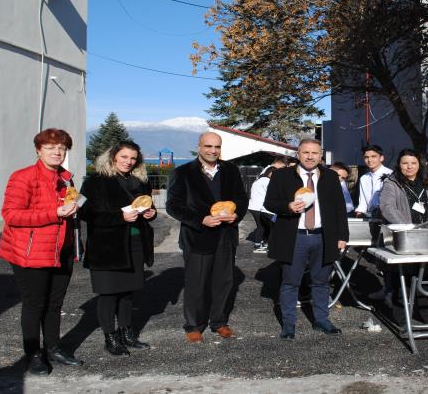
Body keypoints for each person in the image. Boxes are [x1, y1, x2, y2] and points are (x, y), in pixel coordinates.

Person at [0, 128, 82, 375]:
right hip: (31, 251)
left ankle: (53, 348)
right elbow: (11, 215)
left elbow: (70, 206)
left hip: (61, 250)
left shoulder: (66, 178)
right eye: (51, 147)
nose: (57, 152)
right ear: (38, 150)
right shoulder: (23, 177)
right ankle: (33, 354)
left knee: (55, 304)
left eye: (62, 148)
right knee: (34, 304)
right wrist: (53, 213)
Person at [166, 132, 249, 343]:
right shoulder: (183, 172)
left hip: (226, 235)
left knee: (223, 282)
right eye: (208, 146)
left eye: (217, 147)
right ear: (199, 147)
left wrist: (236, 214)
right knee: (196, 283)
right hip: (198, 236)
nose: (213, 150)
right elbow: (174, 206)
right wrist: (200, 219)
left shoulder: (231, 170)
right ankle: (194, 325)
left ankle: (219, 322)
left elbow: (241, 198)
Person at [265, 139, 349, 340]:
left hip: (323, 237)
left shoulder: (330, 176)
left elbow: (340, 209)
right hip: (295, 238)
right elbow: (269, 202)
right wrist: (287, 207)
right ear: (298, 154)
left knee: (321, 282)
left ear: (321, 155)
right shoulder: (282, 175)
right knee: (290, 282)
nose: (310, 156)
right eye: (306, 152)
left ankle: (322, 320)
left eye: (314, 153)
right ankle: (289, 325)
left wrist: (342, 236)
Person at [79, 141, 157, 356]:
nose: (128, 162)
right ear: (113, 156)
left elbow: (147, 206)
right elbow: (86, 213)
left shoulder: (139, 181)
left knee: (127, 293)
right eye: (124, 157)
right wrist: (118, 217)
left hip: (134, 243)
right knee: (108, 294)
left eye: (133, 158)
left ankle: (127, 333)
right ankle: (110, 338)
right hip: (107, 246)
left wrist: (152, 214)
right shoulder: (95, 182)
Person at [379, 149, 428, 245]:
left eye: (413, 163)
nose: (409, 166)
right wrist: (409, 229)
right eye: (405, 163)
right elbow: (387, 208)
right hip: (402, 236)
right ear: (399, 165)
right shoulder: (391, 183)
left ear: (419, 164)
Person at [248, 165, 281, 254]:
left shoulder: (259, 180)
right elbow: (273, 194)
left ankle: (261, 242)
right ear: (269, 173)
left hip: (253, 206)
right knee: (262, 227)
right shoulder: (267, 181)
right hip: (258, 207)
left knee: (262, 226)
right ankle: (257, 245)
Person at [354, 144, 392, 218]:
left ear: (381, 158)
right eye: (366, 157)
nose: (369, 160)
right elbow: (363, 202)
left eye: (373, 156)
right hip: (369, 217)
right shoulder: (364, 178)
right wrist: (359, 213)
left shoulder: (391, 175)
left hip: (387, 216)